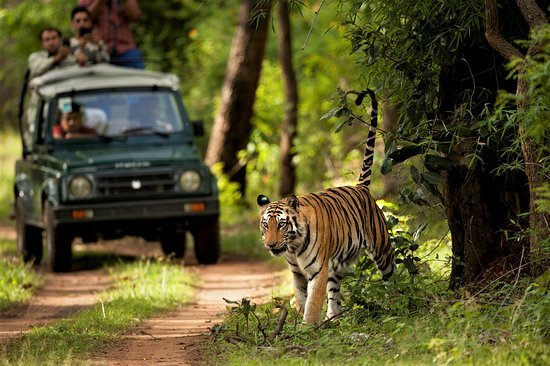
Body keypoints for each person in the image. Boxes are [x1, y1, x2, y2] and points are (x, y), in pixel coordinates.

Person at [77, 0, 145, 69]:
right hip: (98, 49)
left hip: (126, 48)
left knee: (138, 76)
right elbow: (82, 18)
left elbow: (136, 17)